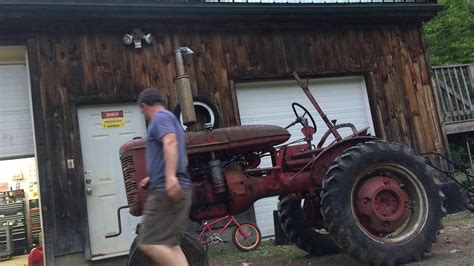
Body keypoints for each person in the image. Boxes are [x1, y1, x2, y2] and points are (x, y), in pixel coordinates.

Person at [136, 88, 191, 266]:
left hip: (164, 192)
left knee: (148, 242)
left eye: (141, 110)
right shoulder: (172, 119)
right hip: (175, 186)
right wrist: (154, 177)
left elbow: (170, 142)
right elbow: (184, 159)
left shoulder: (160, 117)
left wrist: (169, 177)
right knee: (171, 244)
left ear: (144, 106)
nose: (143, 114)